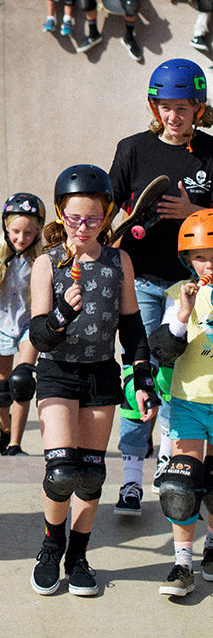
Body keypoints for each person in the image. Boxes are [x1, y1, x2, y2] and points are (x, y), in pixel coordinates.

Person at [29, 165, 155, 598]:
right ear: (61, 214)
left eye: (94, 219)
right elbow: (38, 333)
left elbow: (132, 325)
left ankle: (78, 556)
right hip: (58, 373)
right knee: (61, 471)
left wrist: (142, 376)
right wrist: (62, 315)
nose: (83, 228)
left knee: (90, 475)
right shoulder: (47, 264)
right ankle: (51, 547)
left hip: (101, 374)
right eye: (75, 218)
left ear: (107, 217)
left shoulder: (119, 260)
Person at [109, 58, 213, 515]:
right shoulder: (132, 149)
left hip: (196, 287)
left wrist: (193, 209)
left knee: (178, 381)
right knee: (141, 374)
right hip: (144, 283)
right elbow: (108, 205)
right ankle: (131, 474)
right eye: (165, 107)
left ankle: (170, 464)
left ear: (198, 108)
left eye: (183, 107)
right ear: (154, 106)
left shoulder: (211, 154)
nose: (173, 116)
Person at [148, 209, 213, 597]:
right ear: (187, 260)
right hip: (188, 400)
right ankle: (181, 564)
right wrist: (185, 315)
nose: (210, 262)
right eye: (201, 255)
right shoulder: (178, 295)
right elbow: (164, 349)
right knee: (180, 484)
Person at [0, 193, 45, 456]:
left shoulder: (41, 259)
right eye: (15, 231)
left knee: (22, 382)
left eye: (27, 233)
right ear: (5, 226)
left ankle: (15, 443)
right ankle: (5, 428)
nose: (21, 238)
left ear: (38, 231)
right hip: (1, 325)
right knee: (2, 391)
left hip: (29, 325)